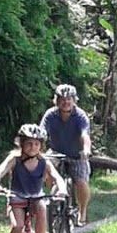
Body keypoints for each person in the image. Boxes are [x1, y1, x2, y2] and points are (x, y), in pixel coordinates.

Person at [0, 124, 68, 233]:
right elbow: (0, 171)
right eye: (29, 143)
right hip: (17, 197)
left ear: (42, 145)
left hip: (36, 197)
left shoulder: (44, 161)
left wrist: (62, 189)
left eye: (37, 144)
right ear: (22, 143)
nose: (33, 147)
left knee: (42, 209)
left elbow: (56, 176)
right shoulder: (15, 159)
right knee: (18, 226)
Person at [40, 83, 93, 225]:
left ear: (74, 100)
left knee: (81, 182)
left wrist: (86, 150)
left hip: (77, 154)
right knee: (45, 169)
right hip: (56, 152)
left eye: (69, 99)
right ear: (56, 101)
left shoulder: (80, 116)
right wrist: (38, 149)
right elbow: (42, 132)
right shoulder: (50, 115)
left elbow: (84, 135)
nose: (66, 102)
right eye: (62, 99)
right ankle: (54, 198)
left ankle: (82, 213)